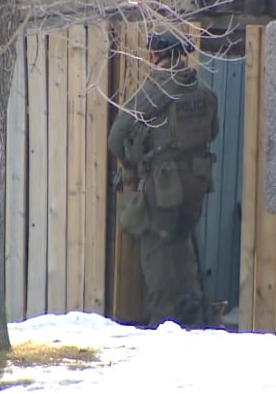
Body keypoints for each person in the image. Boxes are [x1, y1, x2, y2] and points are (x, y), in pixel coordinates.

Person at [107, 24, 219, 329]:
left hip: (162, 189)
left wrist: (132, 161)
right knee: (184, 253)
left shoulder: (154, 92)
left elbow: (116, 138)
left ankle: (162, 327)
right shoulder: (203, 92)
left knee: (158, 256)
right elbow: (213, 130)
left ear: (156, 54)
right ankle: (193, 322)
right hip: (195, 186)